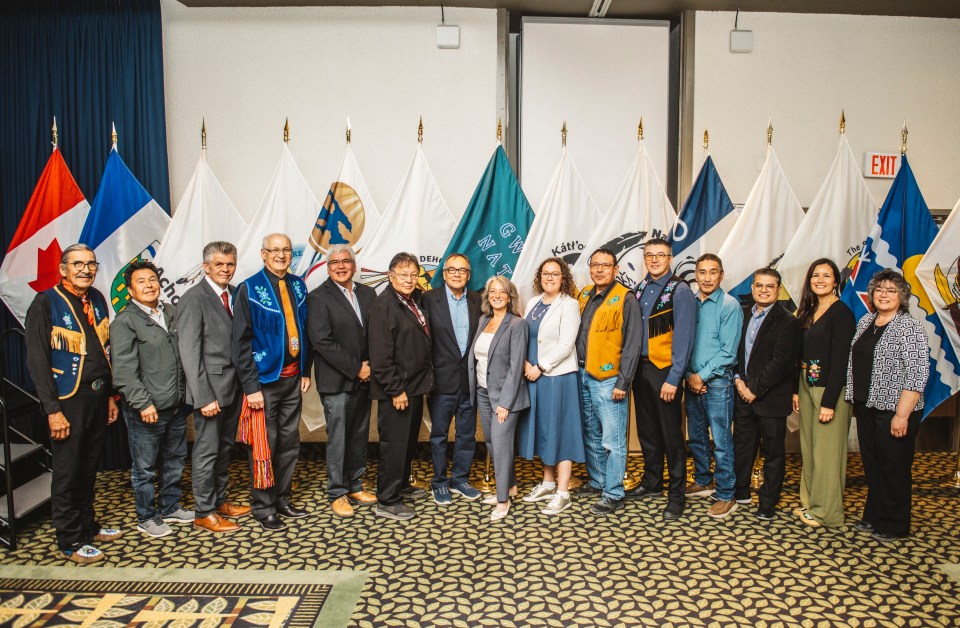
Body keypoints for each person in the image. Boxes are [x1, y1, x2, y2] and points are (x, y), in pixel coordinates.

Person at [25, 244, 121, 563]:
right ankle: (70, 539)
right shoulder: (45, 302)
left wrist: (109, 396)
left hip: (97, 396)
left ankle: (88, 525)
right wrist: (52, 410)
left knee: (89, 465)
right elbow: (37, 361)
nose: (85, 269)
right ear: (63, 268)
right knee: (68, 470)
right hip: (67, 400)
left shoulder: (96, 299)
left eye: (91, 264)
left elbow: (103, 351)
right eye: (77, 264)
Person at [233, 233, 312, 531]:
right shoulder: (249, 289)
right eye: (274, 250)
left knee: (290, 443)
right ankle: (263, 506)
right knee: (266, 444)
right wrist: (251, 387)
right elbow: (240, 344)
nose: (281, 255)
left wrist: (305, 370)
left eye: (286, 250)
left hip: (293, 379)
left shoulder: (297, 285)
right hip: (263, 382)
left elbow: (305, 332)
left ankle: (282, 499)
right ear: (263, 254)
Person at [845, 269, 929, 542]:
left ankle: (894, 524)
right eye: (879, 290)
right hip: (868, 406)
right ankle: (874, 516)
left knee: (893, 467)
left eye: (890, 290)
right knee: (873, 464)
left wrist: (902, 415)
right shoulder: (867, 321)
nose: (883, 294)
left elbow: (917, 374)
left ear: (901, 296)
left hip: (896, 410)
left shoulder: (909, 327)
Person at [111, 260, 192, 538]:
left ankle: (171, 507)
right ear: (131, 290)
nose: (149, 285)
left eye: (152, 280)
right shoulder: (125, 321)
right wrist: (143, 403)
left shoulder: (171, 311)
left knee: (175, 460)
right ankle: (146, 516)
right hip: (146, 409)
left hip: (176, 406)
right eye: (141, 282)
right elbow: (123, 372)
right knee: (145, 468)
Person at [178, 241, 252, 534]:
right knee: (206, 452)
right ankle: (203, 511)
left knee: (224, 448)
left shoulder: (234, 294)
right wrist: (203, 396)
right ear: (206, 266)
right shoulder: (193, 299)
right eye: (219, 264)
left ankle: (220, 501)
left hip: (233, 388)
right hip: (210, 391)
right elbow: (189, 351)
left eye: (230, 264)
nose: (225, 269)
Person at [306, 244, 378, 518]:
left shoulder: (368, 293)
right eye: (335, 262)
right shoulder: (318, 298)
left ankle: (356, 484)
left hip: (365, 379)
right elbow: (322, 342)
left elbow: (374, 333)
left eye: (345, 261)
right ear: (328, 267)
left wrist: (370, 368)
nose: (340, 266)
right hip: (337, 380)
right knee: (338, 438)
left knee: (359, 435)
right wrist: (355, 368)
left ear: (354, 265)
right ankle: (337, 492)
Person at [627, 238, 696, 521]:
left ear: (670, 258)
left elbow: (684, 337)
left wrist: (674, 377)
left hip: (664, 371)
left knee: (671, 435)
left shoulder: (680, 290)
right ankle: (652, 481)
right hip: (640, 369)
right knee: (647, 431)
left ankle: (677, 494)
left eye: (660, 255)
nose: (654, 260)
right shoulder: (640, 288)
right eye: (649, 255)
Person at [368, 253, 434, 520]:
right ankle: (387, 499)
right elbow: (381, 355)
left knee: (406, 443)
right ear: (390, 275)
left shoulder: (410, 301)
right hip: (398, 391)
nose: (408, 280)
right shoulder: (384, 305)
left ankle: (402, 485)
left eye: (412, 274)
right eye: (402, 274)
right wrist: (395, 390)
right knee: (394, 445)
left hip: (414, 387)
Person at [576, 248, 641, 516]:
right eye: (595, 265)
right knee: (591, 433)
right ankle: (598, 480)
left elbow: (632, 343)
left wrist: (623, 382)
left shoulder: (625, 298)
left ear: (615, 269)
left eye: (606, 265)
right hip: (583, 374)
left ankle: (613, 492)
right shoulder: (585, 295)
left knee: (612, 440)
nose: (600, 270)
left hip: (610, 378)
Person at [732, 268, 801, 521]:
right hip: (743, 395)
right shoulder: (743, 315)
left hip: (770, 399)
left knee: (773, 454)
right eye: (759, 285)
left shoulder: (788, 321)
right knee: (742, 446)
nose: (763, 290)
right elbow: (739, 353)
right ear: (752, 288)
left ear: (778, 289)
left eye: (769, 286)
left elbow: (781, 363)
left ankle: (768, 501)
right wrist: (739, 380)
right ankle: (741, 491)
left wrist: (755, 389)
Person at [792, 258, 855, 529]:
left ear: (835, 281)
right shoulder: (807, 311)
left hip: (831, 389)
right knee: (809, 447)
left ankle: (826, 512)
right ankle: (810, 502)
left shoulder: (841, 313)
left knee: (828, 452)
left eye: (826, 275)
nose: (820, 280)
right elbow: (800, 355)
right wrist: (797, 390)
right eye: (815, 275)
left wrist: (829, 402)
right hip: (807, 384)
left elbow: (841, 359)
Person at [519, 257, 584, 516]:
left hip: (557, 377)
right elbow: (524, 335)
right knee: (545, 430)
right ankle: (547, 483)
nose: (549, 278)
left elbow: (566, 344)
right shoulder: (534, 303)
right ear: (540, 277)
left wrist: (540, 367)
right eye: (546, 273)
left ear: (563, 278)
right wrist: (525, 363)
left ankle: (563, 492)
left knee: (562, 431)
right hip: (534, 374)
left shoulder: (569, 305)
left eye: (555, 274)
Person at [420, 253, 483, 506]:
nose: (457, 274)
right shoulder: (427, 299)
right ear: (444, 274)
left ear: (468, 275)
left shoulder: (479, 300)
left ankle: (460, 479)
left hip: (469, 381)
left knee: (467, 435)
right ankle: (439, 482)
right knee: (438, 435)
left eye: (463, 270)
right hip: (440, 381)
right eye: (452, 270)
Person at [684, 254, 743, 518]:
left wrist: (702, 376)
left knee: (720, 440)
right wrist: (689, 376)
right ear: (695, 275)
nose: (707, 278)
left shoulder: (730, 306)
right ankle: (703, 479)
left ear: (721, 275)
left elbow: (729, 352)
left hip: (717, 383)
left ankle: (726, 493)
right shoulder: (689, 303)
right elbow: (682, 344)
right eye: (702, 272)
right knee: (696, 436)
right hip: (691, 381)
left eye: (713, 272)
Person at [468, 275, 529, 521]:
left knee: (502, 446)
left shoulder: (517, 324)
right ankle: (509, 486)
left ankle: (502, 500)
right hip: (483, 391)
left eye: (502, 291)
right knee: (492, 443)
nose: (496, 295)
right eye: (492, 291)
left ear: (510, 296)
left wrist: (505, 403)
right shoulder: (484, 320)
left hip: (505, 397)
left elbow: (516, 367)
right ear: (487, 296)